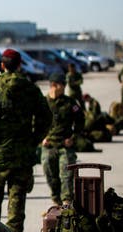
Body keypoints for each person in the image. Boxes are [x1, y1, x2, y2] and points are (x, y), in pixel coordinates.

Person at [0, 48, 52, 232]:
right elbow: (46, 118)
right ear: (20, 65)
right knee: (17, 200)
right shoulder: (31, 89)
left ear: (2, 66)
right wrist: (33, 140)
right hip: (22, 154)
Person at [42, 73, 85, 206]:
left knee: (66, 175)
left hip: (65, 145)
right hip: (49, 145)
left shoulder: (70, 102)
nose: (65, 87)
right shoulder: (43, 103)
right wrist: (41, 138)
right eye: (62, 85)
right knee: (50, 175)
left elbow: (80, 120)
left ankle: (66, 202)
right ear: (54, 85)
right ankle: (56, 199)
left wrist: (74, 137)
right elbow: (34, 122)